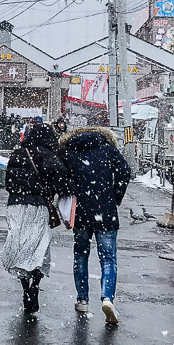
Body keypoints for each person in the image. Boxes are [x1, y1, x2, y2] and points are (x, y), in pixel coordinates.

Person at [60, 127, 131, 325]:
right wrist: (115, 196)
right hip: (105, 211)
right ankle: (107, 298)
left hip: (81, 212)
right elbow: (125, 171)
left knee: (81, 255)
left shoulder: (70, 151)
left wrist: (72, 190)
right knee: (108, 258)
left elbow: (61, 177)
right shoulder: (108, 150)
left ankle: (82, 299)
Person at [2, 123, 71, 313]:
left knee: (22, 246)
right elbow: (64, 186)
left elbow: (8, 183)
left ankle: (25, 286)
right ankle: (36, 284)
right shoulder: (50, 157)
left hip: (15, 206)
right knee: (39, 247)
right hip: (39, 206)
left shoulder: (17, 154)